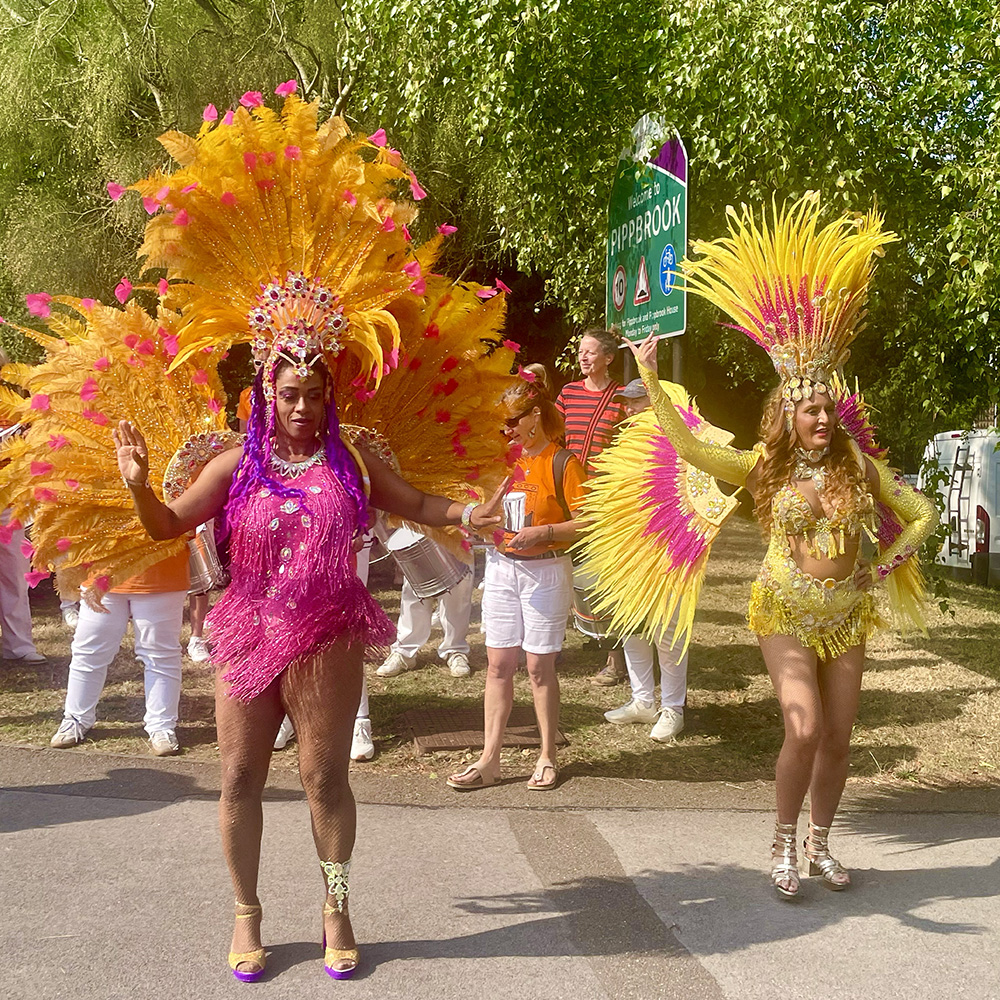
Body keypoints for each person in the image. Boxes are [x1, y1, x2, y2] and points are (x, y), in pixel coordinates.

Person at [626, 194, 937, 899]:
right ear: (788, 414)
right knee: (802, 729)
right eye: (810, 408)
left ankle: (822, 845)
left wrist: (881, 568)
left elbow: (918, 514)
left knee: (837, 737)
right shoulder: (764, 467)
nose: (823, 416)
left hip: (847, 614)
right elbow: (688, 447)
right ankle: (781, 843)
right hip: (784, 612)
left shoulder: (858, 464)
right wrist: (648, 376)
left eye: (828, 406)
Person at [448, 367, 585, 792]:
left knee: (539, 667)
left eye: (513, 421)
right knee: (498, 665)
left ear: (535, 416)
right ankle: (489, 759)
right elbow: (481, 513)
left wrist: (544, 532)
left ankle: (547, 755)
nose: (507, 430)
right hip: (503, 568)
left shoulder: (563, 462)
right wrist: (479, 521)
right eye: (502, 422)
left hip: (546, 570)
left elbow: (588, 521)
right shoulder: (501, 462)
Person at [599, 379, 688, 742]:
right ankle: (642, 701)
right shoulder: (622, 446)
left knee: (669, 633)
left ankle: (673, 708)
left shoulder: (679, 443)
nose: (629, 409)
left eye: (637, 402)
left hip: (668, 551)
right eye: (627, 403)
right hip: (630, 550)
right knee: (632, 628)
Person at [49, 549, 189, 755]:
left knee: (160, 654)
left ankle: (162, 726)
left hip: (161, 572)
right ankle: (75, 719)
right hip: (102, 571)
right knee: (88, 651)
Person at [555, 328, 628, 687]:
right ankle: (576, 635)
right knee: (568, 572)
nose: (583, 358)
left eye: (590, 352)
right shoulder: (567, 393)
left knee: (605, 578)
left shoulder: (621, 398)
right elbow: (550, 431)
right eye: (581, 352)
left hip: (604, 502)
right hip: (569, 498)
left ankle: (616, 660)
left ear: (608, 358)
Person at [377, 554, 474, 678]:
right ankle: (405, 651)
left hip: (458, 538)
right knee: (414, 586)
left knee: (458, 590)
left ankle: (455, 649)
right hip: (419, 535)